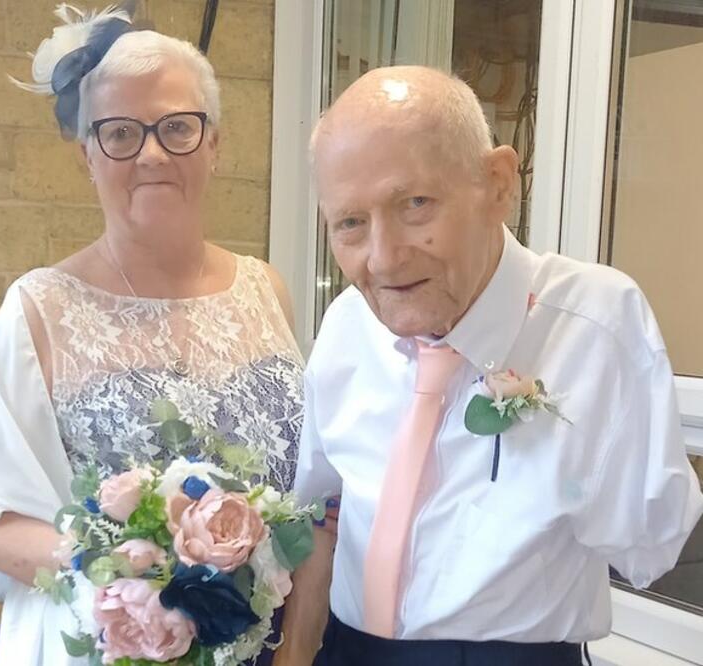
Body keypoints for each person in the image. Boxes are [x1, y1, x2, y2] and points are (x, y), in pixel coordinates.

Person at [276, 66, 703, 665]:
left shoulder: (596, 323)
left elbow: (650, 545)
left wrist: (572, 461)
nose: (384, 259)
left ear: (498, 184)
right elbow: (321, 504)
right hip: (348, 650)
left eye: (415, 204)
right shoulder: (348, 322)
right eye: (350, 223)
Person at [0, 5, 305, 665]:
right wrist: (124, 568)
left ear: (214, 144)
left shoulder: (266, 289)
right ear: (87, 154)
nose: (152, 153)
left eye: (177, 127)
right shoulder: (39, 311)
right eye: (121, 132)